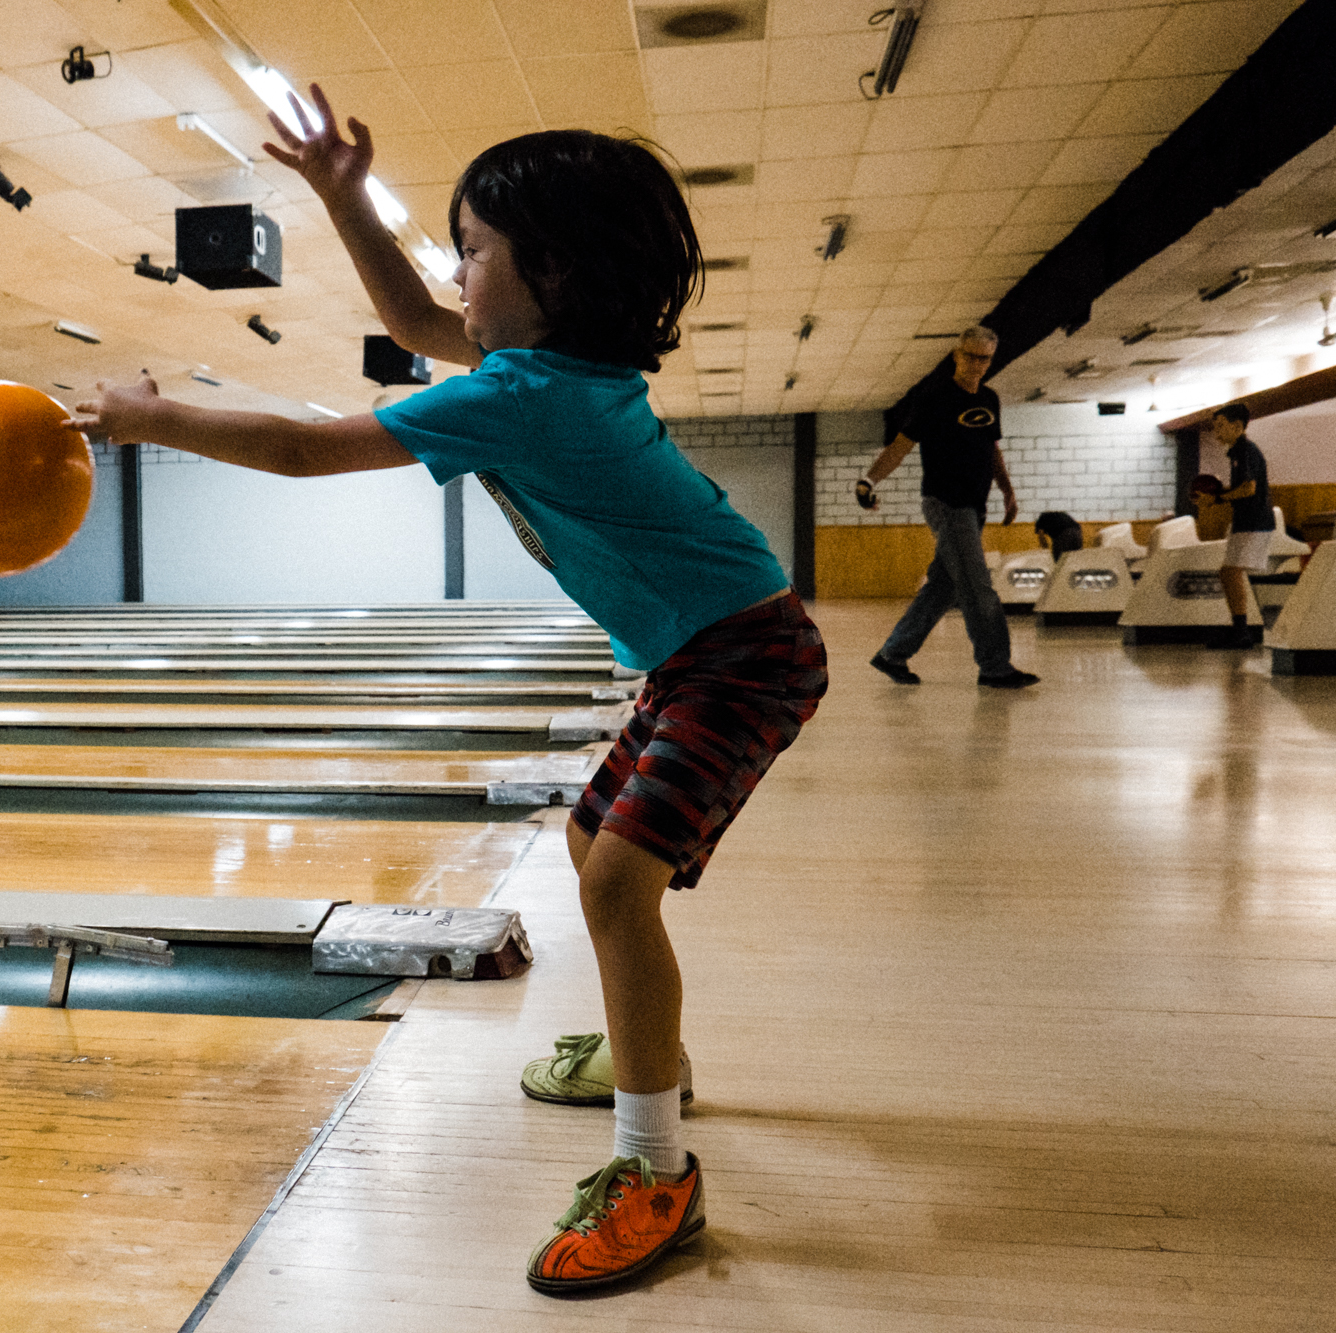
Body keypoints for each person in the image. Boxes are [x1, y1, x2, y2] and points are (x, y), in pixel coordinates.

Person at [68, 85, 826, 1295]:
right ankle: (651, 1055)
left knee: (620, 884)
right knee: (592, 850)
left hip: (742, 655)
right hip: (710, 648)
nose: (455, 272)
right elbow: (413, 314)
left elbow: (309, 449)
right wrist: (338, 195)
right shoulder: (546, 364)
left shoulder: (520, 393)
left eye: (476, 249)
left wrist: (154, 420)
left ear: (557, 272)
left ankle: (654, 1172)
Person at [855, 327, 1039, 688]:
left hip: (975, 505)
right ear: (956, 355)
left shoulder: (989, 398)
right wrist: (868, 481)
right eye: (969, 355)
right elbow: (901, 446)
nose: (976, 364)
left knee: (945, 586)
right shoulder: (935, 397)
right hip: (946, 503)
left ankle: (892, 655)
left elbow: (992, 448)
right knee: (977, 585)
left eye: (984, 358)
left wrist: (1007, 490)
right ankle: (995, 666)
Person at [1209, 403, 1273, 650]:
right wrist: (1216, 494)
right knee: (1228, 573)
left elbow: (1249, 488)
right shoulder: (1238, 452)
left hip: (1255, 522)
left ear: (1237, 426)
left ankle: (1242, 632)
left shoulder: (1246, 450)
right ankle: (1240, 630)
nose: (1217, 433)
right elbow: (1240, 489)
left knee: (1230, 572)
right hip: (1245, 521)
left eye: (1221, 426)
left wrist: (1218, 498)